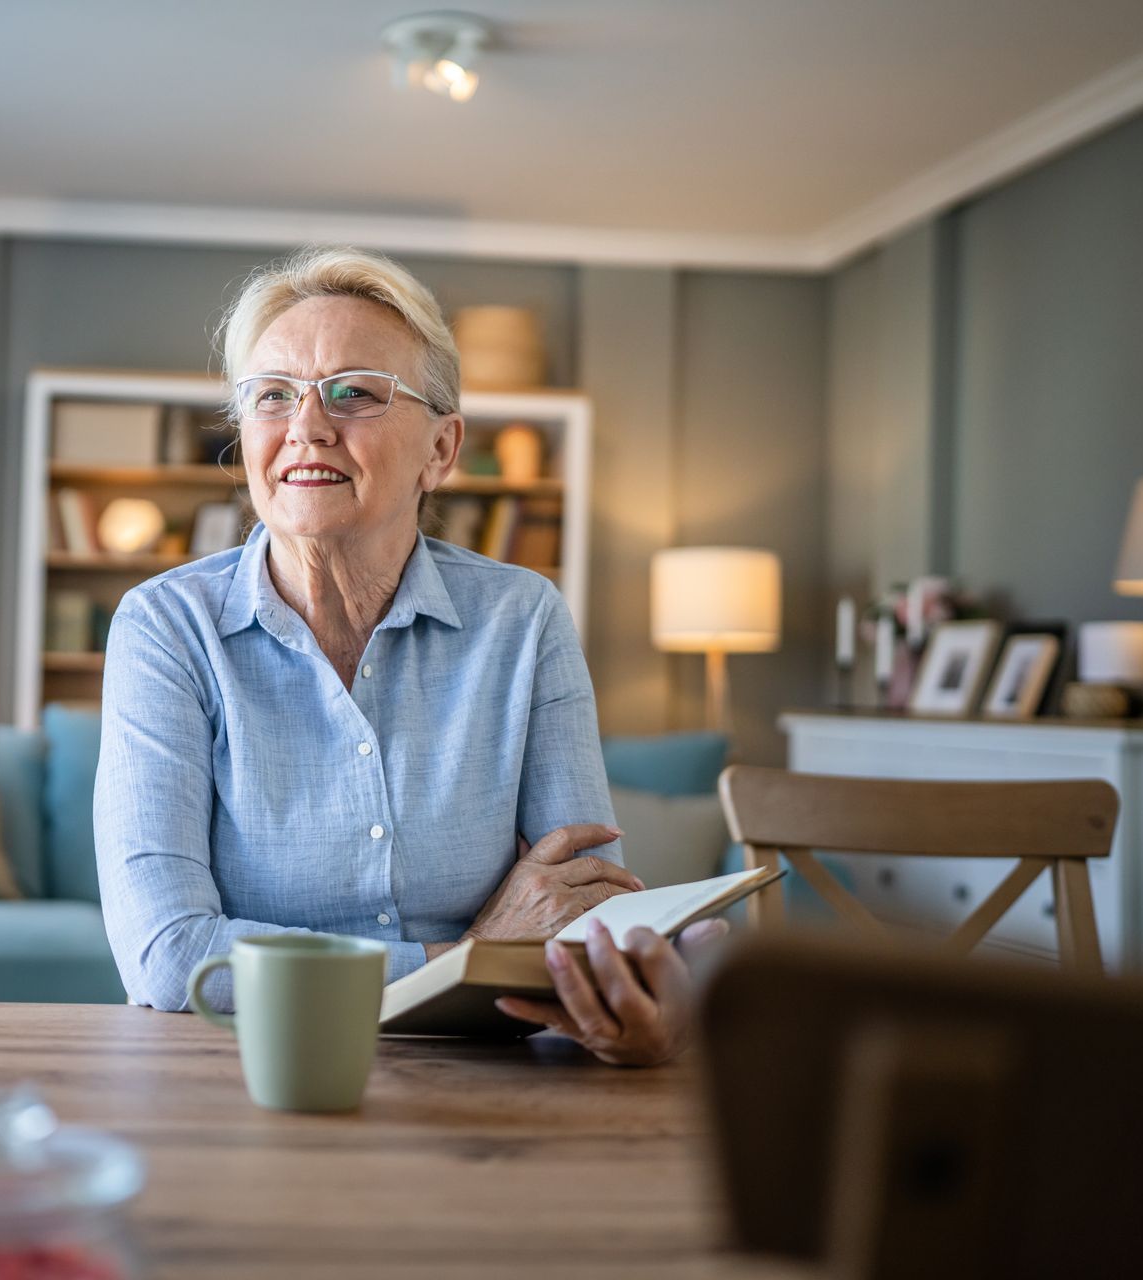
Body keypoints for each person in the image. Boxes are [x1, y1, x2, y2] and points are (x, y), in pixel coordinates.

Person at [93, 246, 724, 1067]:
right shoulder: (167, 628)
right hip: (246, 1075)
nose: (307, 427)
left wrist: (636, 996)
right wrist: (467, 960)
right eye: (273, 396)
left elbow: (578, 910)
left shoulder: (523, 620)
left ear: (441, 450)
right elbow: (171, 954)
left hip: (488, 1088)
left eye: (354, 393)